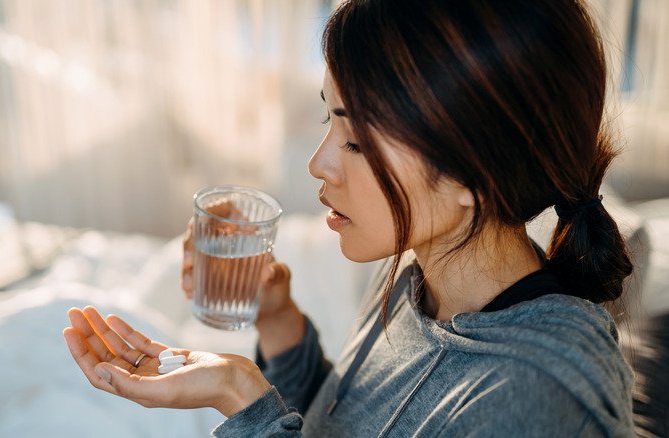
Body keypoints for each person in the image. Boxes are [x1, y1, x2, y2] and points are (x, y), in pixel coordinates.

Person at [63, 0, 637, 435]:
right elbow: (340, 421)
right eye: (327, 121)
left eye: (357, 141)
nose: (319, 164)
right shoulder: (420, 275)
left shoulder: (539, 400)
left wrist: (240, 396)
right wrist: (279, 323)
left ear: (475, 172)